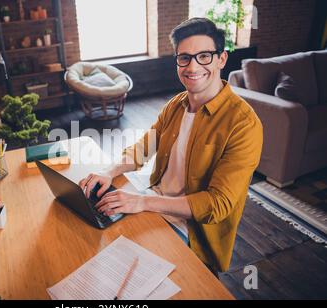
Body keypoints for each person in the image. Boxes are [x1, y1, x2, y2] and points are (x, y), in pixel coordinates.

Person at [78, 17, 263, 274]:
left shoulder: (244, 124)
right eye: (184, 57)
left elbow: (218, 204)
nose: (192, 66)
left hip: (193, 235)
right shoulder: (176, 104)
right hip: (154, 209)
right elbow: (143, 148)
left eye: (204, 56)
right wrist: (109, 172)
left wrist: (142, 202)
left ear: (222, 59)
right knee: (89, 247)